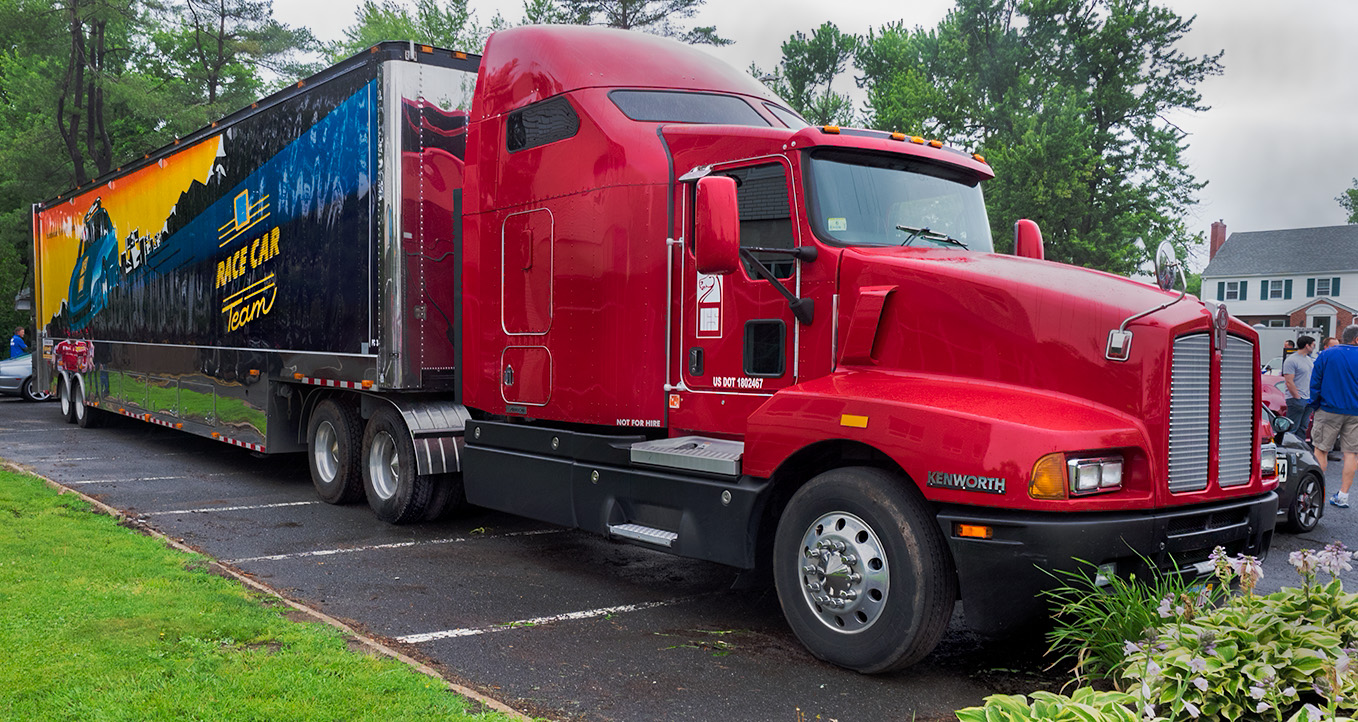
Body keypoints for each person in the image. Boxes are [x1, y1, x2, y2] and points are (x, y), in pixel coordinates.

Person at [1309, 324, 1358, 508]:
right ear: (1357, 339)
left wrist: (1314, 404)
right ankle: (1343, 496)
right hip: (1355, 412)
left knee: (1321, 450)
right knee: (1351, 453)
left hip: (1328, 409)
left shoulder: (1326, 355)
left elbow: (1315, 383)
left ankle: (1318, 495)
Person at [1283, 335, 1316, 436]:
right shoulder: (1291, 360)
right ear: (1307, 345)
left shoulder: (1309, 360)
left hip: (1308, 399)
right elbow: (1289, 381)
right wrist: (1297, 397)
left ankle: (1300, 450)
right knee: (1292, 428)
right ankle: (1288, 449)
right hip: (1296, 399)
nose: (1314, 347)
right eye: (1313, 345)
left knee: (1303, 427)